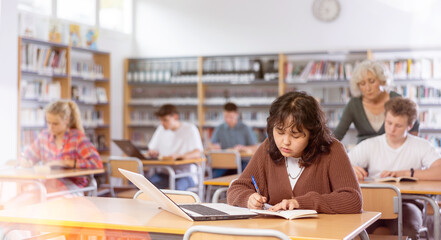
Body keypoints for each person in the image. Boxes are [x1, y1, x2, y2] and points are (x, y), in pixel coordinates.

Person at [227, 91, 362, 214]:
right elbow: (236, 188)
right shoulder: (268, 147)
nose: (285, 142)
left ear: (312, 134)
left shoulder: (332, 150)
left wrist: (301, 203)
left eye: (295, 135)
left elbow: (353, 199)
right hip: (277, 234)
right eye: (279, 132)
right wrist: (248, 198)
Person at [348, 97, 441, 239]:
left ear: (409, 126)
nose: (392, 129)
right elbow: (340, 166)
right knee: (354, 231)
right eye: (389, 123)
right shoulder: (370, 144)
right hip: (372, 204)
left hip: (408, 203)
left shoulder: (421, 146)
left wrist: (405, 173)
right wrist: (350, 169)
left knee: (409, 230)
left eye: (398, 125)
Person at [16, 100, 103, 205]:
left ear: (66, 120)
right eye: (48, 122)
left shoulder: (77, 138)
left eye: (55, 123)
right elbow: (28, 155)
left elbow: (97, 163)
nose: (50, 127)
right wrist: (26, 161)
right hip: (48, 185)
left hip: (71, 186)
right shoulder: (44, 136)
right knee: (19, 202)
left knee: (54, 203)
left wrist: (66, 163)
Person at [333, 60, 419, 143]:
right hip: (364, 153)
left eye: (372, 81)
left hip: (392, 152)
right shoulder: (354, 104)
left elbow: (414, 125)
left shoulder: (396, 99)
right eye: (362, 84)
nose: (368, 88)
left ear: (382, 80)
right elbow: (338, 134)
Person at [147, 104, 203, 190]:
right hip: (164, 173)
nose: (162, 123)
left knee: (176, 190)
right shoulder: (160, 129)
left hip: (186, 175)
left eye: (165, 120)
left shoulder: (190, 129)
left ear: (175, 117)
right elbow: (152, 148)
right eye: (161, 120)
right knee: (145, 187)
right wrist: (153, 152)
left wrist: (181, 156)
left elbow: (197, 153)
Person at [209, 102, 259, 177]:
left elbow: (256, 147)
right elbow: (211, 144)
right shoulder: (220, 128)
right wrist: (213, 146)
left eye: (231, 117)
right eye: (226, 117)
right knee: (213, 176)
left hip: (242, 161)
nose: (228, 120)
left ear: (237, 115)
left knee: (246, 173)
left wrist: (243, 148)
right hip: (224, 162)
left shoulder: (245, 128)